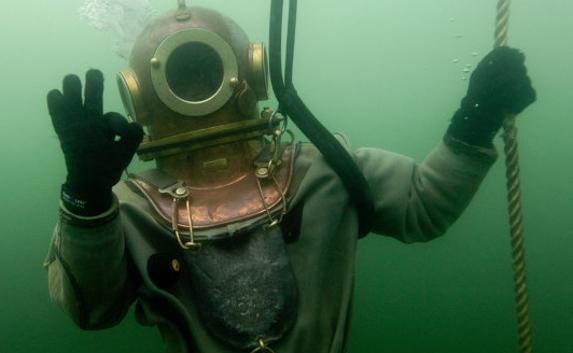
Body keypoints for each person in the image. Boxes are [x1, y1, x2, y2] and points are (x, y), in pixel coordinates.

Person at [44, 3, 536, 353]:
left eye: (204, 67)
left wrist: (476, 116)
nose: (195, 87)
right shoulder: (125, 211)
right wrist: (86, 204)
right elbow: (93, 309)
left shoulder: (326, 169)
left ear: (251, 71)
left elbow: (421, 206)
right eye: (182, 73)